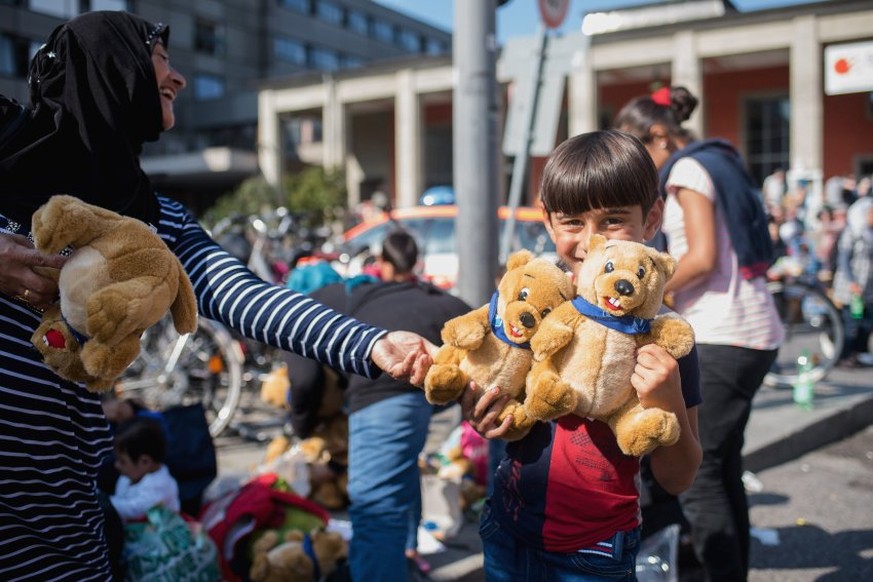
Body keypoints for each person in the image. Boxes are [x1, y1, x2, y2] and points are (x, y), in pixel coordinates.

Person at [0, 12, 435, 580]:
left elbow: (244, 296)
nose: (177, 78)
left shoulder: (153, 218)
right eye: (161, 57)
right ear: (114, 68)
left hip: (60, 501)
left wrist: (371, 345)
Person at [463, 130, 703, 581]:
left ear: (652, 219)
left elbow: (679, 477)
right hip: (505, 531)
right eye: (573, 222)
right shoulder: (532, 307)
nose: (591, 242)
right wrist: (483, 416)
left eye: (613, 220)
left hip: (593, 553)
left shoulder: (664, 339)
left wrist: (666, 398)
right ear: (549, 222)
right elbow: (495, 407)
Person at [614, 86, 784, 581]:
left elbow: (703, 258)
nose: (638, 167)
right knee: (724, 465)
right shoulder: (720, 159)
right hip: (754, 330)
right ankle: (733, 569)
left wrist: (650, 290)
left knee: (702, 471)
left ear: (661, 135)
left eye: (638, 150)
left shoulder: (687, 170)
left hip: (723, 331)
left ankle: (721, 573)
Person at [283, 230, 471, 580]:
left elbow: (304, 381)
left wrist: (302, 428)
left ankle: (394, 561)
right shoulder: (373, 290)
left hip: (386, 390)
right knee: (398, 469)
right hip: (431, 381)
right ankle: (407, 551)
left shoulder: (298, 312)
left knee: (374, 509)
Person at [109, 418, 180, 522]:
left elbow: (134, 509)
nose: (116, 465)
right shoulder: (132, 474)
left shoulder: (158, 486)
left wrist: (105, 502)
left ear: (145, 462)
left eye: (122, 461)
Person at [832, 199, 873, 368]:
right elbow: (843, 259)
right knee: (851, 323)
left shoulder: (870, 233)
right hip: (851, 287)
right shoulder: (853, 232)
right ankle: (844, 356)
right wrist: (851, 281)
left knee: (867, 322)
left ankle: (859, 353)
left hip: (868, 287)